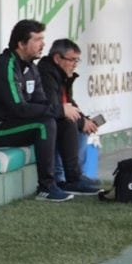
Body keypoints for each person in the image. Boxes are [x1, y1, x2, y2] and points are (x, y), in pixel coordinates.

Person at [0, 20, 101, 201]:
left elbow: (42, 103)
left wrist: (61, 112)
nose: (43, 44)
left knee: (64, 120)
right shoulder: (5, 67)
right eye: (37, 40)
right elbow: (19, 108)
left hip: (12, 124)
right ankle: (46, 187)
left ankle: (72, 179)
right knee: (45, 124)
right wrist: (59, 110)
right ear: (21, 44)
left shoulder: (31, 67)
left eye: (43, 39)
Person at [37, 39, 101, 187]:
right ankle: (62, 177)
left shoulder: (61, 74)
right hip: (46, 121)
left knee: (82, 126)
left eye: (77, 60)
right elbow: (55, 106)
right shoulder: (46, 73)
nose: (75, 64)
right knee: (68, 123)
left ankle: (75, 175)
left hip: (54, 118)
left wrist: (85, 120)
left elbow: (69, 101)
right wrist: (81, 122)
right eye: (72, 60)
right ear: (57, 58)